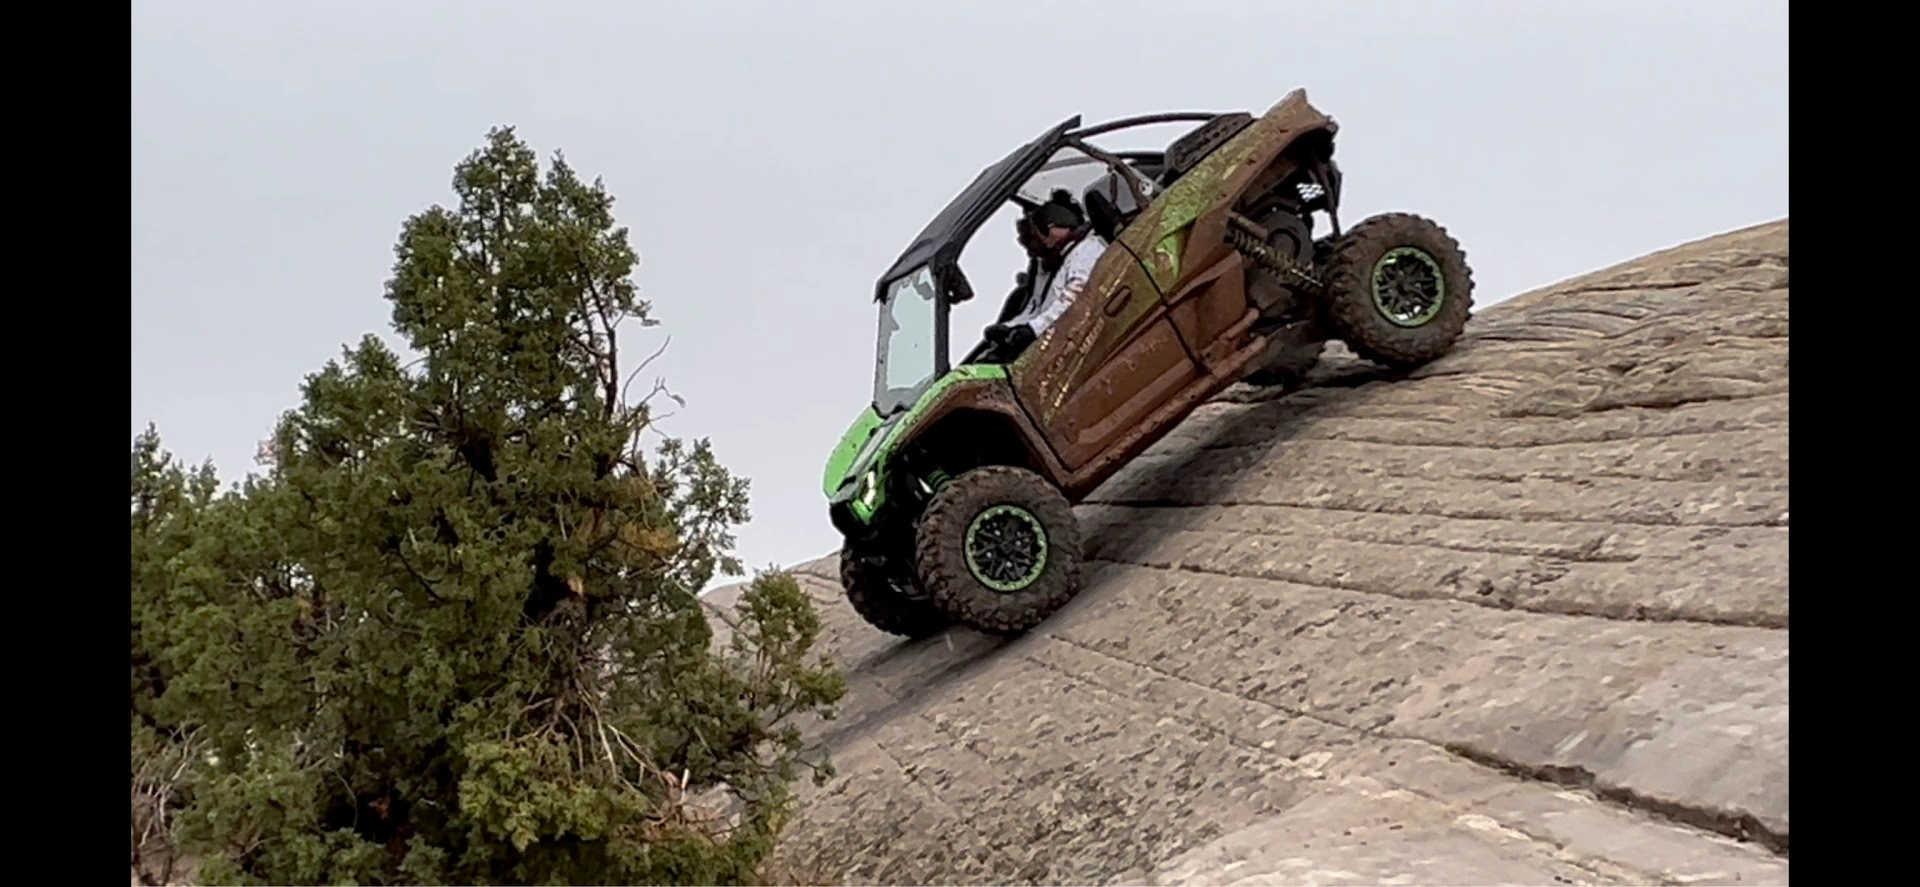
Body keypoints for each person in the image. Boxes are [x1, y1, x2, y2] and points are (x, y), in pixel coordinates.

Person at [981, 189, 1108, 359]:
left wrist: (1033, 330)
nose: (1031, 248)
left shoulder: (1088, 251)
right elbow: (1036, 308)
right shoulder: (1049, 263)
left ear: (1054, 229)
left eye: (1032, 237)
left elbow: (1073, 302)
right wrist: (1010, 328)